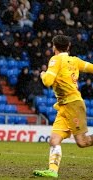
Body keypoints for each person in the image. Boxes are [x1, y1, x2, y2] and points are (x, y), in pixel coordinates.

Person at [33, 35, 93, 178]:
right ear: (68, 46)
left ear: (54, 46)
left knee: (82, 142)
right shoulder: (75, 61)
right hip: (64, 106)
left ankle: (53, 170)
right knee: (54, 140)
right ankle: (52, 171)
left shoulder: (56, 59)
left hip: (72, 104)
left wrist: (42, 74)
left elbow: (47, 81)